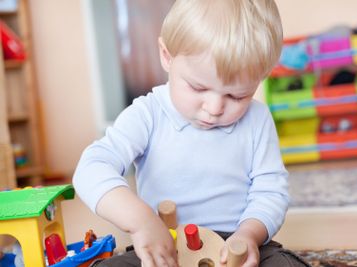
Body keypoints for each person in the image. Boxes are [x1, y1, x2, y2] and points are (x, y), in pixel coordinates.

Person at [73, 0, 310, 266]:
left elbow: (271, 192)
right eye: (198, 88)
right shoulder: (147, 113)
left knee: (286, 264)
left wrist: (249, 235)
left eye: (237, 95)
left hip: (233, 244)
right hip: (166, 244)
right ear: (167, 55)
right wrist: (141, 222)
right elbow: (91, 167)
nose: (214, 108)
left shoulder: (257, 119)